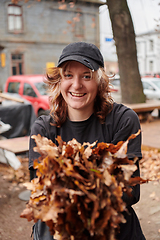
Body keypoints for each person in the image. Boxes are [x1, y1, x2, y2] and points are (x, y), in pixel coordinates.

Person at [29, 42, 146, 240]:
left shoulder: (122, 120)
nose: (76, 85)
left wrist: (68, 183)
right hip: (59, 231)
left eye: (86, 76)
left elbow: (129, 192)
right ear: (59, 80)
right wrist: (96, 181)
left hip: (113, 230)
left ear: (99, 81)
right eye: (68, 75)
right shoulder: (43, 129)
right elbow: (42, 193)